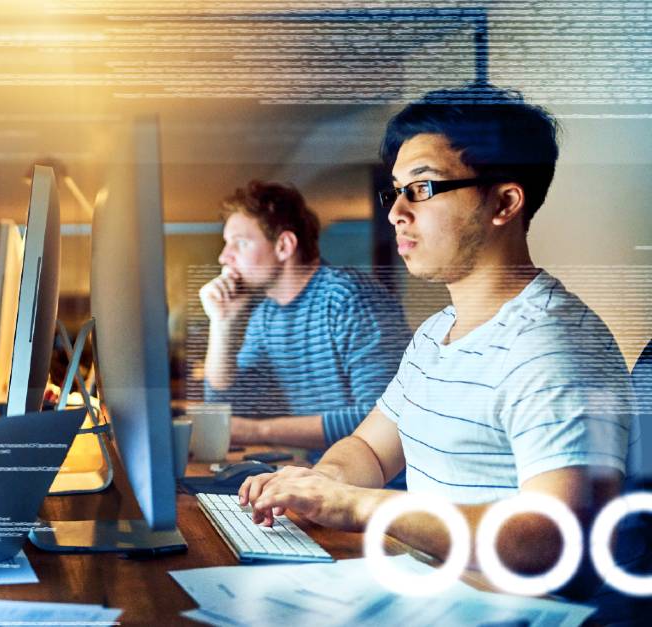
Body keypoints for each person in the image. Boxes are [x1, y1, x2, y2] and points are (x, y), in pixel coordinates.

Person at [239, 85, 634, 592]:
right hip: (426, 587)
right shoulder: (436, 334)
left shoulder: (553, 347)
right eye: (395, 190)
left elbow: (554, 538)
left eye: (421, 188)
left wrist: (361, 506)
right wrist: (321, 481)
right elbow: (371, 449)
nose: (396, 212)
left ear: (504, 203)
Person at [199, 181, 409, 451]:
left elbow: (382, 418)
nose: (223, 257)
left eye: (239, 243)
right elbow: (227, 410)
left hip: (384, 486)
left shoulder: (349, 298)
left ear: (284, 246)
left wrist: (258, 431)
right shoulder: (266, 316)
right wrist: (222, 324)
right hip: (324, 477)